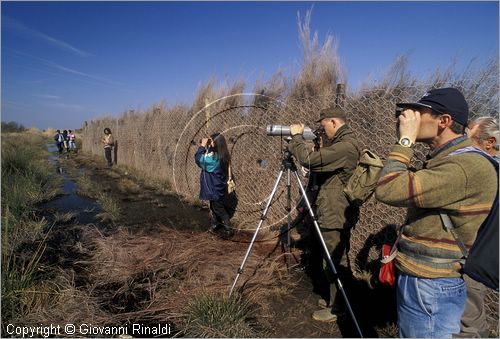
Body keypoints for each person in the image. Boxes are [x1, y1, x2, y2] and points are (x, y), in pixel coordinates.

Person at [375, 88, 497, 338]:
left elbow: (388, 188)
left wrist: (405, 140)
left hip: (432, 284)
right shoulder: (449, 159)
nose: (408, 118)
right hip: (426, 280)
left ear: (444, 121)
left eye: (419, 113)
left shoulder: (464, 166)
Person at [288, 106, 360, 322]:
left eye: (324, 126)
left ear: (334, 123)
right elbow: (319, 172)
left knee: (335, 260)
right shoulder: (340, 145)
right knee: (334, 257)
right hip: (334, 209)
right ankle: (335, 299)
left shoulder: (344, 147)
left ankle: (339, 308)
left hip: (335, 212)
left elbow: (308, 161)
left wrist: (296, 138)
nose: (323, 131)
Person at [457, 116, 499, 338]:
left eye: (468, 135)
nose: (462, 140)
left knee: (466, 320)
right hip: (477, 255)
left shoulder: (490, 172)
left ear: (489, 143)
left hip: (476, 257)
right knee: (472, 314)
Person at [194, 132, 235, 237]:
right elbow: (210, 154)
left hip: (214, 188)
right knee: (214, 206)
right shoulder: (221, 154)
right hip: (218, 187)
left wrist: (202, 146)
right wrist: (209, 145)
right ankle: (215, 224)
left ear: (215, 143)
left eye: (211, 141)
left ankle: (229, 229)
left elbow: (199, 159)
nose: (209, 142)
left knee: (219, 209)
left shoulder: (213, 159)